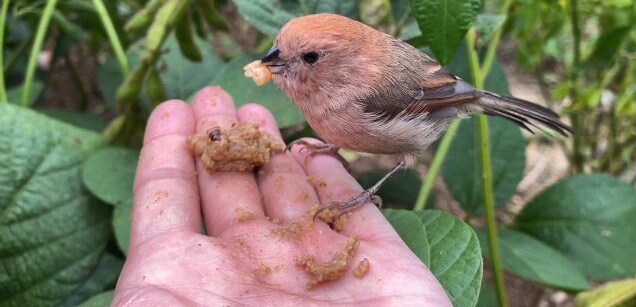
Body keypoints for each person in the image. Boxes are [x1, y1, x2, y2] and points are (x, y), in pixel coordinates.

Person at [113, 86, 453, 306]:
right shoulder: (326, 94)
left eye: (306, 58)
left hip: (430, 108)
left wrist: (365, 194)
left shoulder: (365, 89)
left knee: (397, 156)